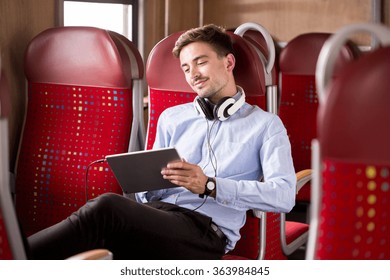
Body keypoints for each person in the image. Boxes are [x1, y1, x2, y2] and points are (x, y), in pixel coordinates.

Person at [28, 24, 296, 260]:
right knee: (96, 241)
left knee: (105, 209)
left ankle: (14, 257)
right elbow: (147, 196)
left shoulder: (265, 125)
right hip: (158, 217)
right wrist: (147, 181)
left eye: (201, 62)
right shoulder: (172, 118)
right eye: (186, 68)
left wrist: (210, 186)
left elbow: (284, 197)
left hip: (206, 233)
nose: (193, 74)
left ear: (228, 63)